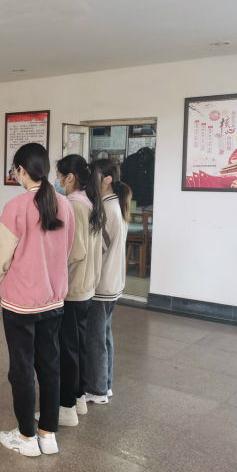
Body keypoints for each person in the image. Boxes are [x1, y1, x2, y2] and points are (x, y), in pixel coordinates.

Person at [0, 143, 75, 457]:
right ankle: (47, 433)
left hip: (20, 303)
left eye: (16, 170)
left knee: (22, 369)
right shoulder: (63, 204)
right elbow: (68, 249)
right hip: (53, 299)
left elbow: (0, 256)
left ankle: (26, 437)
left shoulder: (16, 206)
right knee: (50, 365)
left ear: (21, 170)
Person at [49, 155, 104, 427]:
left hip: (73, 288)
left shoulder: (72, 205)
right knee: (78, 346)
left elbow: (74, 251)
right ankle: (79, 398)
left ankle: (66, 408)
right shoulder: (90, 202)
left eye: (59, 175)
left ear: (69, 177)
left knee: (67, 350)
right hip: (87, 287)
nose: (57, 180)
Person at [85, 159, 131, 404]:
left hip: (102, 283)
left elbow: (97, 248)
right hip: (112, 282)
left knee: (95, 339)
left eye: (92, 175)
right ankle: (106, 384)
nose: (89, 180)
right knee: (103, 335)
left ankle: (97, 389)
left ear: (107, 179)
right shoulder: (116, 205)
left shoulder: (106, 209)